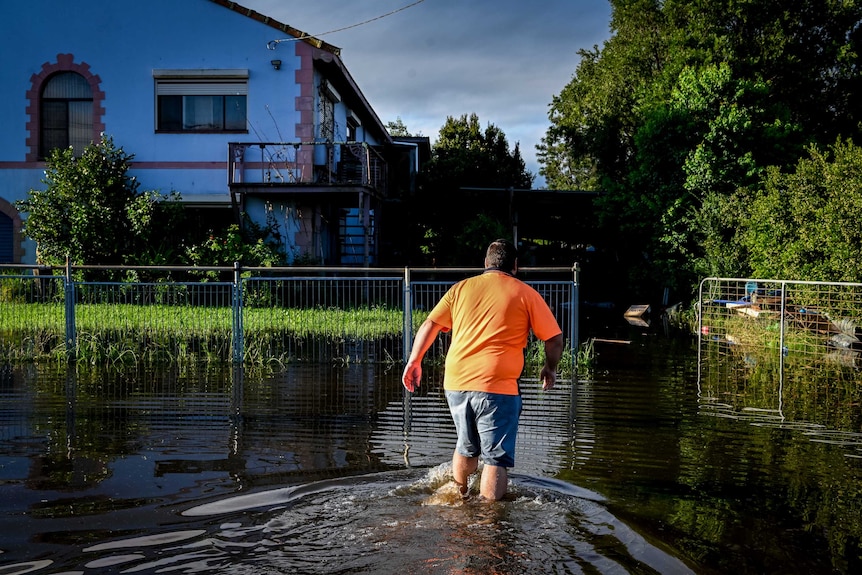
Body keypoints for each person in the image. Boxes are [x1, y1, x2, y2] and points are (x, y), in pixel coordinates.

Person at [402, 238, 564, 501]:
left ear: (485, 264)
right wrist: (550, 368)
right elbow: (554, 339)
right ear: (515, 265)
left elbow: (430, 324)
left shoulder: (460, 289)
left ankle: (458, 496)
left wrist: (414, 360)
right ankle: (488, 521)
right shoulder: (525, 293)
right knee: (495, 458)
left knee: (466, 447)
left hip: (456, 382)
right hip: (496, 385)